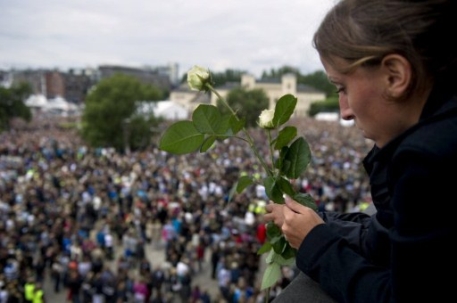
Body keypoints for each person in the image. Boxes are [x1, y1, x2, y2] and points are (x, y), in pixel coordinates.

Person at [264, 0, 457, 302]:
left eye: (342, 88)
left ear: (395, 76)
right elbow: (389, 233)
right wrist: (323, 224)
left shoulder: (429, 160)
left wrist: (317, 244)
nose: (344, 112)